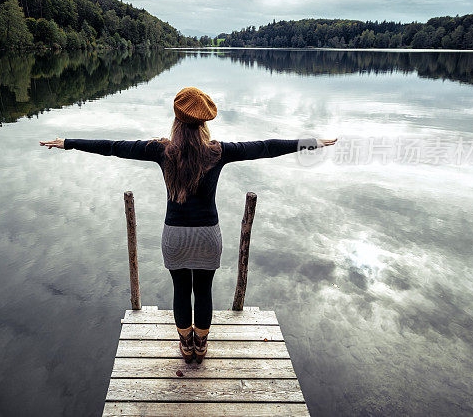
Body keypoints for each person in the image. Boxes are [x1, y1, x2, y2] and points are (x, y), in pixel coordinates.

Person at [40, 87, 336, 363]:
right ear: (205, 122)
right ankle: (202, 344)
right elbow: (266, 147)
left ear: (177, 120)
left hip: (175, 236)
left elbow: (113, 146)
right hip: (208, 235)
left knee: (181, 289)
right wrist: (312, 143)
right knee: (203, 290)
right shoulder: (218, 151)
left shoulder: (161, 150)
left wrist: (68, 143)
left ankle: (185, 344)